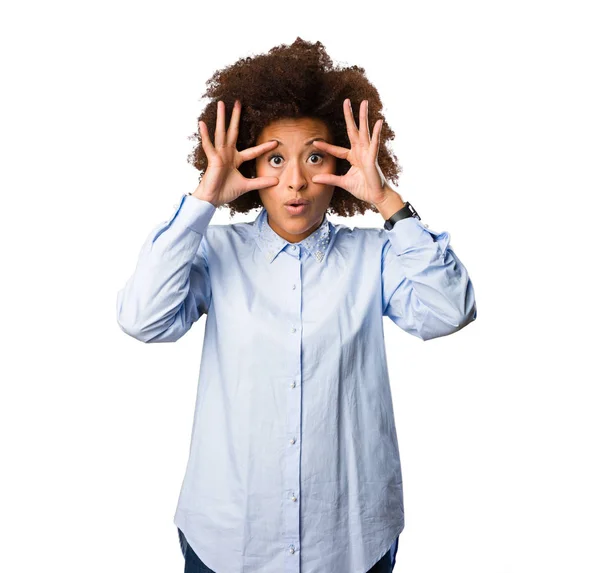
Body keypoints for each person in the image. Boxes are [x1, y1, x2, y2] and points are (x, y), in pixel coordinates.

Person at [116, 37, 477, 573]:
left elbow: (451, 310)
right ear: (249, 167)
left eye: (315, 157)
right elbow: (142, 320)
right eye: (274, 159)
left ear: (343, 165)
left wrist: (387, 201)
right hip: (229, 538)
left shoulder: (377, 256)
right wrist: (203, 199)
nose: (295, 181)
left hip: (350, 539)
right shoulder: (214, 251)